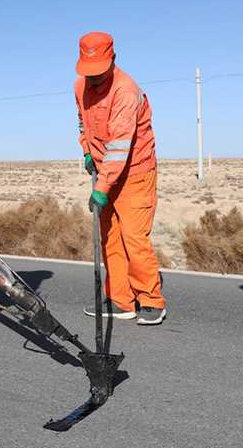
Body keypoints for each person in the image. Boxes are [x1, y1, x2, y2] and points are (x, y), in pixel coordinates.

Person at [73, 31, 167, 325]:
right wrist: (88, 151)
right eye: (89, 74)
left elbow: (119, 146)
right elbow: (82, 121)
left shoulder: (125, 91)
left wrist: (101, 187)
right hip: (105, 171)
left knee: (134, 238)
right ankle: (120, 299)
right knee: (110, 238)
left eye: (99, 73)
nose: (94, 80)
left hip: (134, 173)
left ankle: (151, 300)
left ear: (113, 59)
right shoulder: (80, 86)